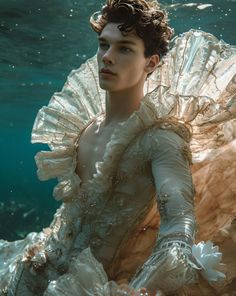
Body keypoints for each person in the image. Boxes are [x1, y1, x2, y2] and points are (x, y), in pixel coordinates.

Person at [1, 0, 236, 295]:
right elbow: (74, 214)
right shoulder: (82, 128)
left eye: (124, 48)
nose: (106, 57)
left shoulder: (161, 139)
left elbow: (179, 230)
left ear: (150, 63)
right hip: (36, 272)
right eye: (103, 45)